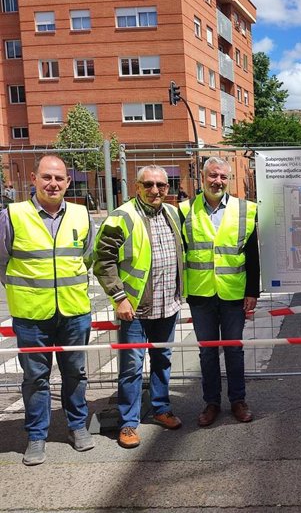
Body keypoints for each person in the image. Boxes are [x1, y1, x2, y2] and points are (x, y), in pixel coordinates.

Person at [0, 155, 95, 465]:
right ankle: (36, 436)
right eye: (46, 177)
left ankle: (77, 426)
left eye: (59, 178)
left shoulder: (81, 214)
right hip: (31, 315)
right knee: (36, 377)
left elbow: (87, 257)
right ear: (34, 178)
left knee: (75, 373)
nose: (53, 184)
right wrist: (22, 291)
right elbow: (2, 262)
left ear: (68, 182)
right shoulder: (12, 215)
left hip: (74, 311)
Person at [94, 165, 184, 448]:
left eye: (161, 185)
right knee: (131, 367)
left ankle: (160, 409)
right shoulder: (121, 217)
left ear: (168, 188)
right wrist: (119, 297)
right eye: (148, 185)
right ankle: (128, 423)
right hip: (133, 308)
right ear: (137, 187)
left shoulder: (173, 213)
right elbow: (103, 261)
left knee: (163, 360)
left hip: (167, 305)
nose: (155, 190)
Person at [179, 157, 259, 427]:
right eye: (213, 176)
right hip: (201, 293)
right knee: (207, 352)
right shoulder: (184, 209)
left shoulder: (245, 209)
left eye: (223, 177)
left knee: (234, 349)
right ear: (202, 178)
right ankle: (211, 403)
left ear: (229, 179)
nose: (218, 181)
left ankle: (238, 400)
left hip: (233, 292)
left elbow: (252, 253)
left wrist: (252, 291)